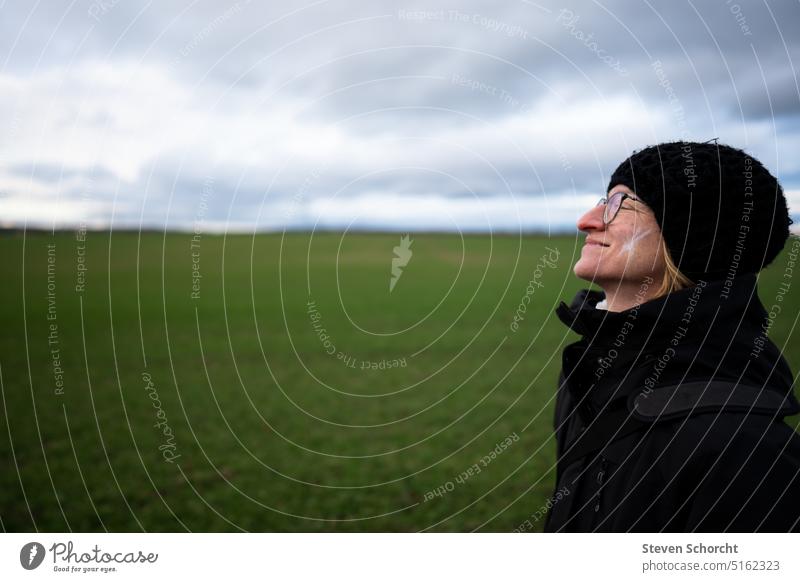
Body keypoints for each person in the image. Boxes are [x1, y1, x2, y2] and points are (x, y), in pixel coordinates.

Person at [543, 141, 800, 532]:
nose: (587, 220)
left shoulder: (744, 448)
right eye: (602, 201)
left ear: (696, 234)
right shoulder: (590, 370)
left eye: (620, 206)